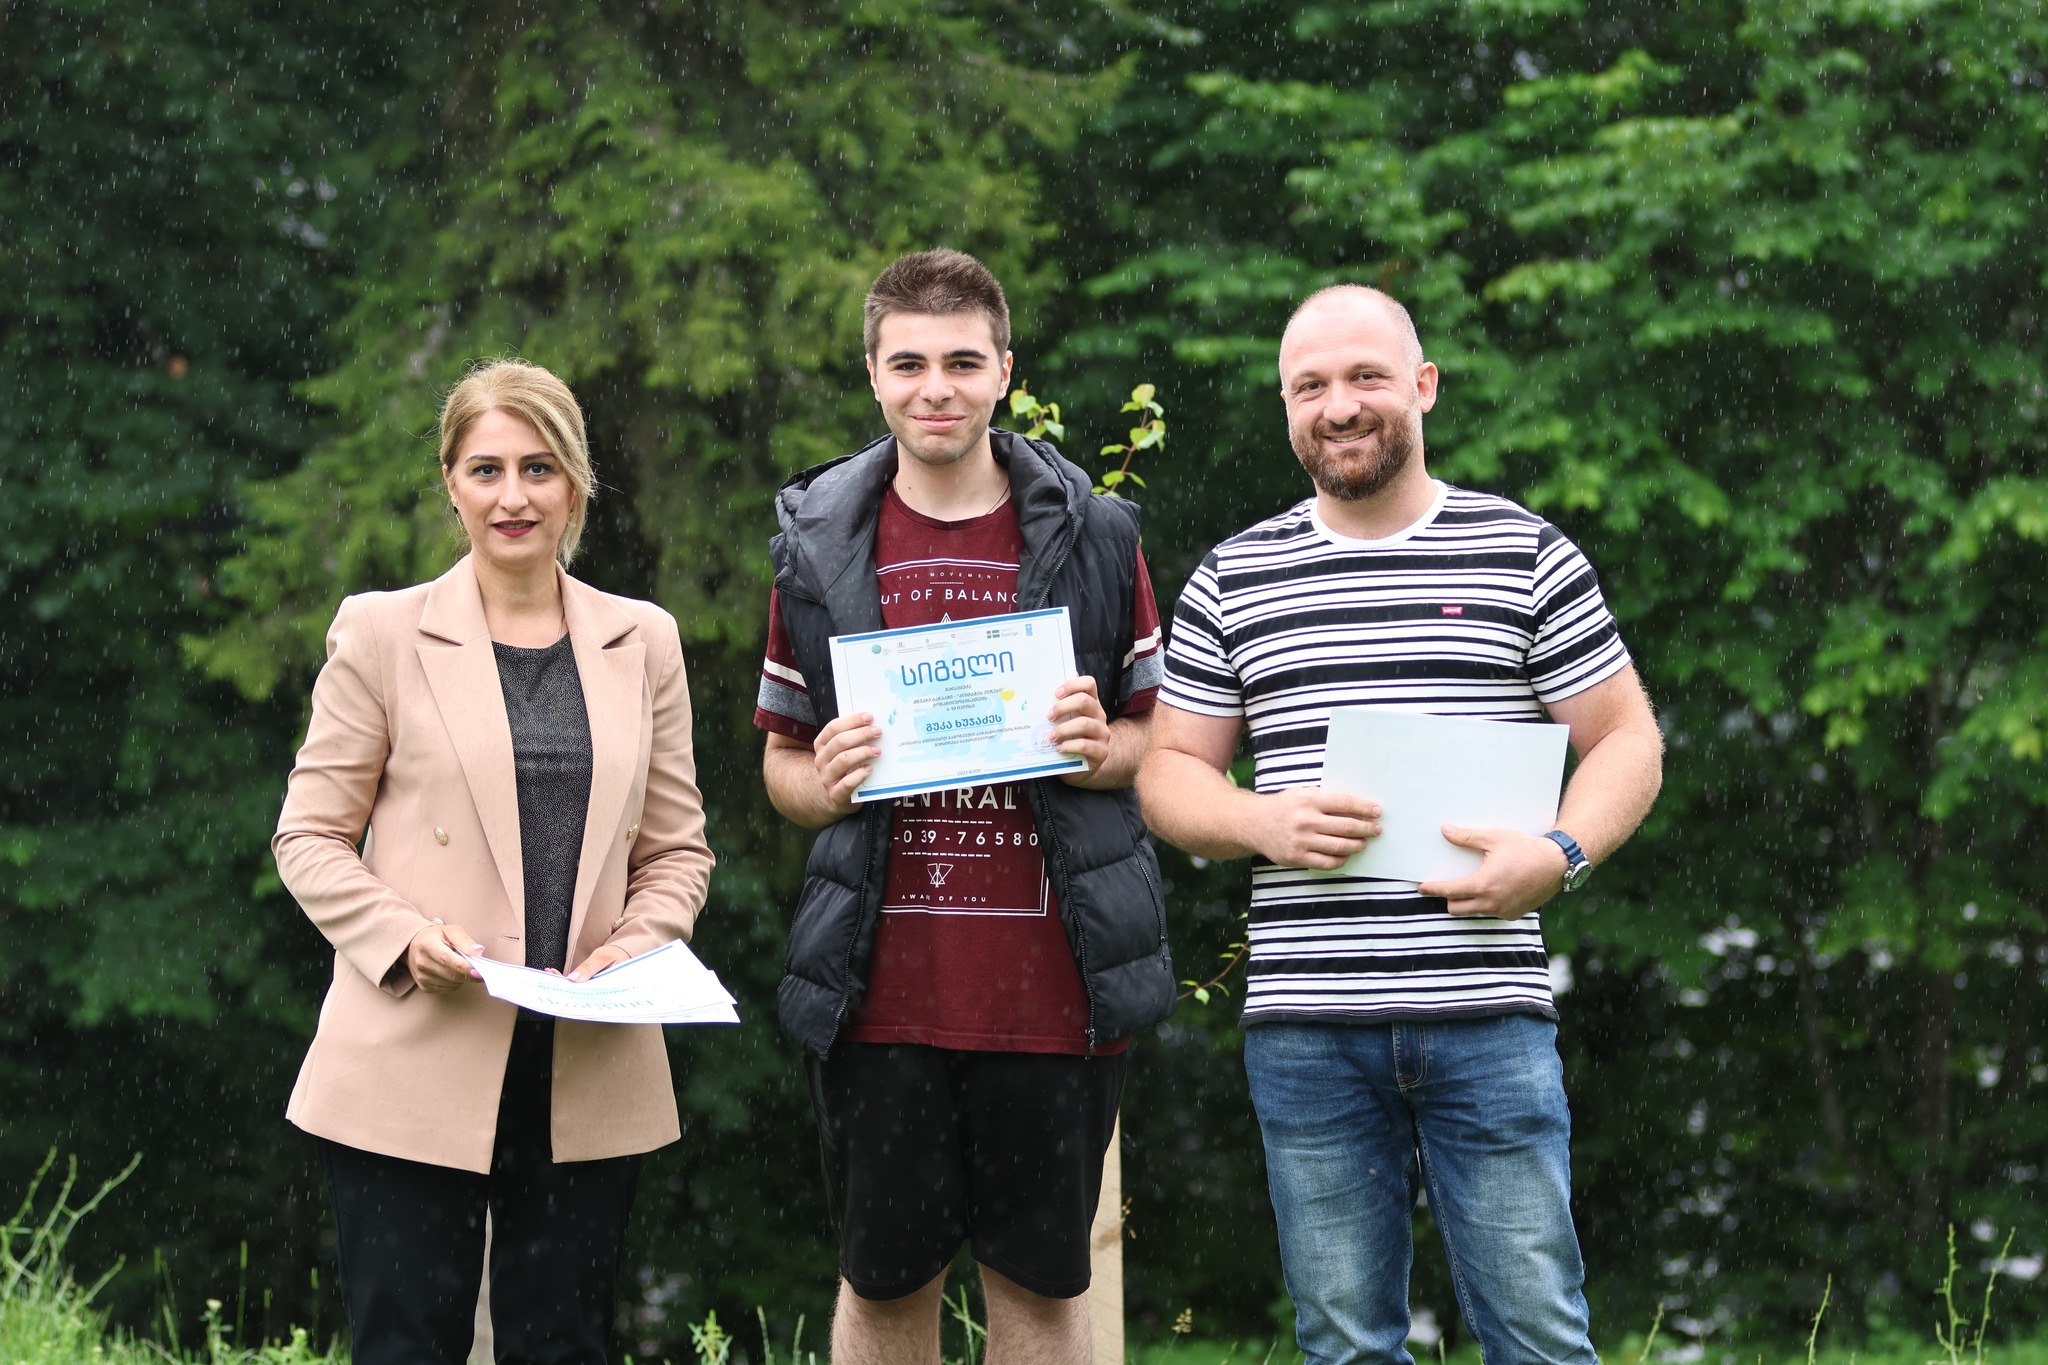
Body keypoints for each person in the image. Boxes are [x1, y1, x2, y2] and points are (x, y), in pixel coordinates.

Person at [1137, 286, 1664, 1365]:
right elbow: (1169, 774)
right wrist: (1261, 820)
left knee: (1537, 1334)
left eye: (1365, 377)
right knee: (1342, 1344)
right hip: (1307, 1028)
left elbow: (1626, 739)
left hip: (1488, 1014)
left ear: (1422, 386)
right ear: (1286, 408)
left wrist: (1557, 854)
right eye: (1310, 386)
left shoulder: (1522, 551)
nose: (1338, 405)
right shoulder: (1234, 577)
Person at [754, 247, 1175, 1365]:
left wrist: (1099, 750)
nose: (934, 388)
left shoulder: (1096, 533)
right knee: (883, 1291)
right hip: (877, 992)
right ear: (872, 375)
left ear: (1003, 372)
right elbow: (782, 769)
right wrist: (824, 779)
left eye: (960, 362)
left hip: (1053, 989)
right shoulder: (816, 542)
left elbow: (1156, 739)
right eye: (908, 364)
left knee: (1040, 1295)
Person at [273, 358, 715, 1365]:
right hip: (414, 1050)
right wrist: (403, 938)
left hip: (586, 1061)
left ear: (576, 484)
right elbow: (307, 835)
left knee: (563, 1346)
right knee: (405, 1347)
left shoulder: (645, 641)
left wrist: (637, 948)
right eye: (486, 470)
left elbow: (677, 849)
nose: (513, 496)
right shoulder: (381, 632)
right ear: (451, 484)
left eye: (538, 468)